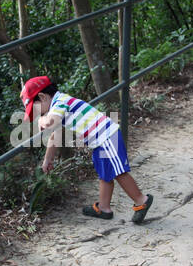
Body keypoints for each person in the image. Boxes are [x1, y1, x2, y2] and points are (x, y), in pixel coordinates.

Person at [20, 75, 154, 222]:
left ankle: (141, 201)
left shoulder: (60, 102)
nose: (38, 114)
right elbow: (56, 134)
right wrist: (48, 159)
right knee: (105, 174)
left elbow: (52, 122)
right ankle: (104, 208)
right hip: (99, 141)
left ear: (42, 97)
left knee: (119, 172)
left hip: (107, 137)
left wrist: (42, 120)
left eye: (36, 109)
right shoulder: (57, 106)